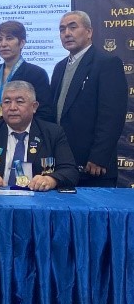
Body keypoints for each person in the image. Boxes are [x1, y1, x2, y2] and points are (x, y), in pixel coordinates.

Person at [51, 10, 127, 187]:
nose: (67, 33)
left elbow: (112, 116)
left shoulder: (107, 63)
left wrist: (99, 156)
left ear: (89, 32)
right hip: (62, 163)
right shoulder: (59, 67)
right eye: (62, 29)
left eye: (73, 27)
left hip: (93, 165)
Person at [0, 81, 79, 191]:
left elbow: (70, 171)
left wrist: (51, 180)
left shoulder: (53, 133)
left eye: (19, 102)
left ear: (34, 107)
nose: (12, 107)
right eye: (7, 102)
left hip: (38, 199)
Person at [0, 21, 54, 123]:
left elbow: (44, 113)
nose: (3, 44)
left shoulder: (36, 73)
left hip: (22, 130)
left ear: (22, 43)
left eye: (9, 38)